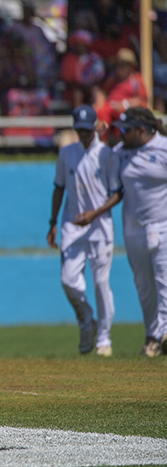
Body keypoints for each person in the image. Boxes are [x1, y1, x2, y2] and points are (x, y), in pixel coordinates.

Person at [47, 105, 121, 357]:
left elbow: (116, 193)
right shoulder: (67, 153)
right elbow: (59, 188)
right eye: (79, 130)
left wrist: (94, 214)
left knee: (101, 283)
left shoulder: (107, 155)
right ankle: (88, 319)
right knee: (68, 280)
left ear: (94, 128)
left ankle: (104, 338)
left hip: (100, 227)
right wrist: (52, 222)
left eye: (87, 130)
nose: (84, 134)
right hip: (72, 225)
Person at [112, 107, 167, 357]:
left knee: (164, 281)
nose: (122, 134)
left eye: (127, 130)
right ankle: (152, 336)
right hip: (133, 230)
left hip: (162, 226)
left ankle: (164, 334)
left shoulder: (163, 148)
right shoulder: (120, 153)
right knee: (144, 286)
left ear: (141, 130)